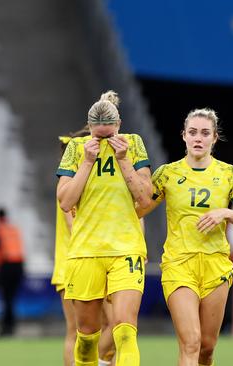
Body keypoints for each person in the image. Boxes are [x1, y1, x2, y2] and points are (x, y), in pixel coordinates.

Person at [137, 108, 233, 366]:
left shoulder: (228, 174)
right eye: (193, 132)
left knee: (206, 348)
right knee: (190, 341)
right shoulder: (168, 174)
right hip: (179, 264)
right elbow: (138, 210)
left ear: (214, 138)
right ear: (184, 136)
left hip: (216, 266)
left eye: (205, 133)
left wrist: (224, 213)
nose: (198, 138)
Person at [56, 90, 152, 366]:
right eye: (98, 136)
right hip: (86, 251)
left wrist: (123, 160)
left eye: (109, 135)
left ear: (119, 125)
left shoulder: (133, 145)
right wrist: (87, 162)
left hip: (125, 250)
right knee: (86, 336)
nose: (104, 140)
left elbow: (145, 198)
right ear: (89, 130)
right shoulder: (76, 149)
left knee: (124, 329)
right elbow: (65, 202)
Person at [0, 207, 25, 336]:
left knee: (6, 298)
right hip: (19, 266)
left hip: (5, 267)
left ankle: (6, 327)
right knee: (12, 298)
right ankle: (10, 325)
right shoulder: (13, 229)